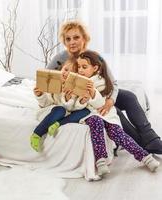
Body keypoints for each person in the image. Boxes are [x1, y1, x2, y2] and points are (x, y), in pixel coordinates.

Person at [47, 21, 162, 154]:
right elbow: (46, 79)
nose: (72, 42)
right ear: (64, 41)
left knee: (129, 97)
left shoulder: (95, 57)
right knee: (114, 111)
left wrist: (110, 100)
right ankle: (140, 143)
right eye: (68, 39)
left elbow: (113, 84)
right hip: (81, 99)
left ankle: (151, 138)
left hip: (101, 92)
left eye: (76, 37)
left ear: (84, 38)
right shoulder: (60, 58)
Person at [73, 50, 159, 176]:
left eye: (84, 67)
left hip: (106, 113)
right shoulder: (78, 82)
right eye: (78, 67)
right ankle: (100, 162)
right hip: (91, 115)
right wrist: (81, 100)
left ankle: (146, 157)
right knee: (96, 125)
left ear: (95, 68)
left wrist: (92, 95)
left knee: (118, 133)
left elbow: (103, 100)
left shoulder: (101, 81)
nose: (80, 70)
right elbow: (75, 105)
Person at [30, 60, 90, 152]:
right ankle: (37, 134)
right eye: (65, 69)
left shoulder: (74, 89)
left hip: (66, 113)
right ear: (61, 69)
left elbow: (73, 109)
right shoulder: (53, 84)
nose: (66, 73)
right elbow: (46, 104)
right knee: (60, 109)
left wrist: (74, 99)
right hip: (50, 112)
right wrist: (40, 95)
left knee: (86, 111)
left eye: (71, 73)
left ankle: (58, 124)